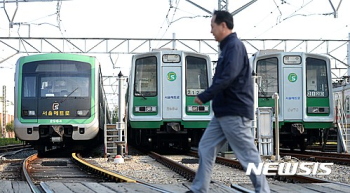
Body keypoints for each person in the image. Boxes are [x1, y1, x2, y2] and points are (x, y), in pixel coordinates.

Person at [188, 10, 270, 193]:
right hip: (223, 112)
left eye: (212, 26)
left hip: (235, 111)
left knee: (248, 155)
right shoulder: (227, 47)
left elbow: (227, 77)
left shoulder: (234, 46)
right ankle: (199, 189)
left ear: (223, 26)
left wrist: (205, 95)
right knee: (206, 146)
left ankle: (263, 190)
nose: (211, 31)